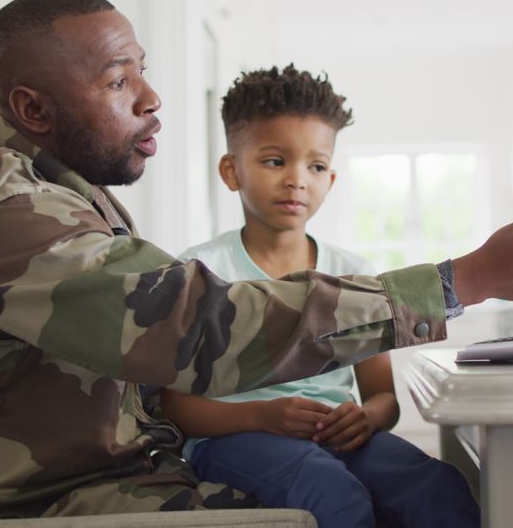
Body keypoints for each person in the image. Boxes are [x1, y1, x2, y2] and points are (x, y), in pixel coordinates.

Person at [0, 0, 513, 521]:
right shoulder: (8, 211)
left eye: (140, 69)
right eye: (117, 81)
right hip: (42, 506)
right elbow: (196, 329)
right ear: (34, 110)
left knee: (427, 495)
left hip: (113, 477)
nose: (152, 98)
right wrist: (473, 277)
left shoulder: (65, 197)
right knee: (331, 501)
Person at [155, 64, 479, 527]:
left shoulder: (355, 274)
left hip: (335, 437)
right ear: (232, 171)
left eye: (317, 166)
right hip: (233, 438)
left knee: (437, 488)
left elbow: (382, 396)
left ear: (331, 180)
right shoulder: (199, 272)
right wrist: (262, 416)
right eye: (274, 161)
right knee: (331, 491)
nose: (297, 179)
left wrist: (366, 418)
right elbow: (174, 407)